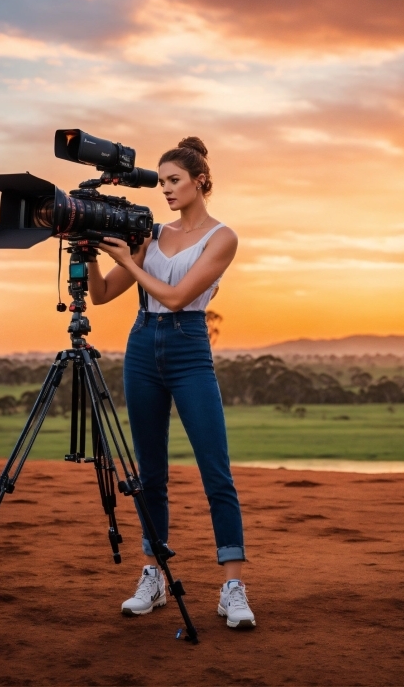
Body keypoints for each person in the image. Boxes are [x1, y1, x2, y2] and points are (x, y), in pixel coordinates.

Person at [87, 136, 255, 629]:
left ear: (201, 181)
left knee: (215, 470)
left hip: (187, 348)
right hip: (141, 347)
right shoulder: (150, 233)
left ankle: (233, 587)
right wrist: (93, 252)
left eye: (173, 180)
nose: (165, 189)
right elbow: (100, 297)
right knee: (150, 473)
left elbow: (179, 296)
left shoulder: (222, 237)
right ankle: (154, 575)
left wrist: (131, 262)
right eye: (160, 181)